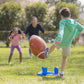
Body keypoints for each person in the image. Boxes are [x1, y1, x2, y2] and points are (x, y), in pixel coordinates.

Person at [45, 7, 84, 76]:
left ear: (62, 16)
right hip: (67, 43)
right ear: (70, 15)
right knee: (64, 58)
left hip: (60, 41)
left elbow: (61, 30)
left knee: (54, 45)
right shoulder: (75, 23)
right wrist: (75, 34)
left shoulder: (63, 21)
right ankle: (62, 72)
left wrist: (59, 38)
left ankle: (47, 53)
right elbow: (82, 28)